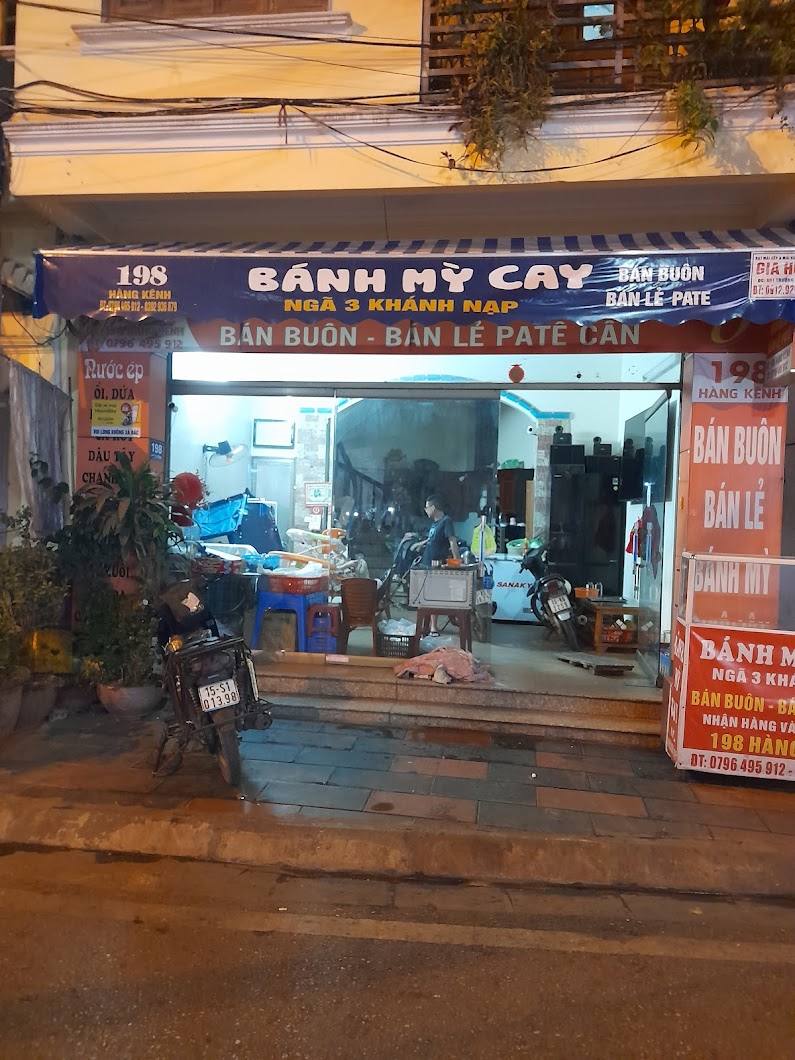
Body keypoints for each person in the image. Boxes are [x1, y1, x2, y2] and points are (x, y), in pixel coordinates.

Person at [411, 495, 461, 634]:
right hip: (427, 564)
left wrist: (458, 563)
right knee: (426, 596)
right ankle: (425, 626)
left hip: (436, 565)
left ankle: (433, 626)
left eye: (427, 507)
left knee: (434, 595)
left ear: (433, 508)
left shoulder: (446, 521)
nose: (425, 510)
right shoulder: (435, 524)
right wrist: (419, 544)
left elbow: (452, 542)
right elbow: (431, 539)